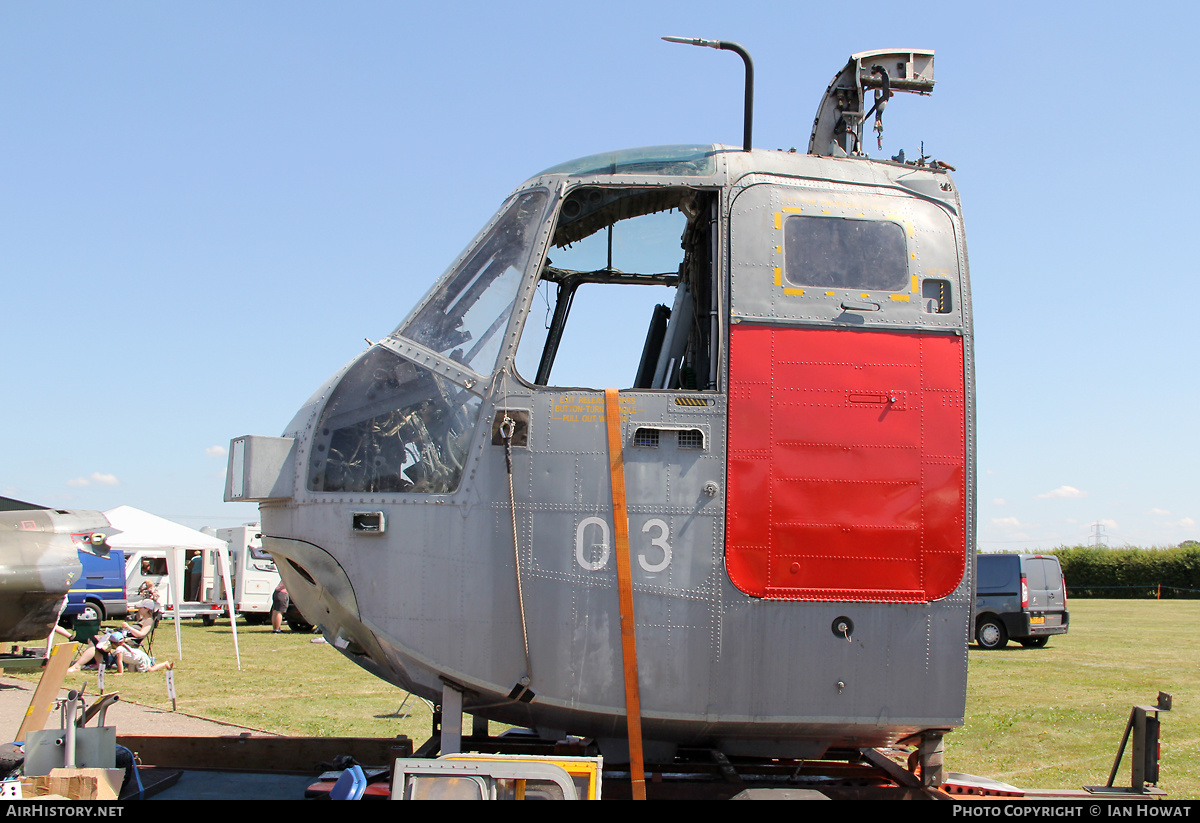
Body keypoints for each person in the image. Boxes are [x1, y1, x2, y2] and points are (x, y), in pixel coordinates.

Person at [107, 631, 173, 674]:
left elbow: (119, 661)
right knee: (131, 671)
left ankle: (165, 663)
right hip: (134, 659)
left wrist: (120, 672)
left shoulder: (119, 649)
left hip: (140, 658)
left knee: (149, 670)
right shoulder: (122, 646)